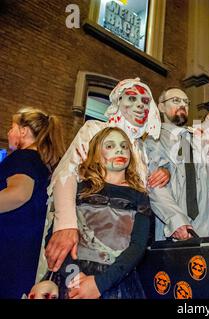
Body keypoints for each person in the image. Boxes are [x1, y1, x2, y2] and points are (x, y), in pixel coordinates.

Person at [40, 78, 168, 281]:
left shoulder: (142, 150)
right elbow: (66, 174)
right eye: (132, 98)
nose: (139, 106)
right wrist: (66, 224)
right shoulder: (94, 130)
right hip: (82, 247)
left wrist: (164, 173)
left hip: (121, 258)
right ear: (118, 102)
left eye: (145, 101)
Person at [53, 127, 151, 299]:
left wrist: (100, 284)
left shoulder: (140, 195)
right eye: (110, 146)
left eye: (124, 146)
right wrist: (73, 278)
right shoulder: (78, 189)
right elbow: (57, 237)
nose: (119, 150)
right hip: (73, 277)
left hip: (116, 280)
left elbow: (138, 246)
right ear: (96, 155)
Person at [145, 89, 209, 240]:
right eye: (176, 100)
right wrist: (176, 221)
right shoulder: (153, 140)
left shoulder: (199, 138)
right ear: (161, 107)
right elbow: (155, 185)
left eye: (186, 102)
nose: (182, 105)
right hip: (176, 232)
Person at [0, 107, 65, 299]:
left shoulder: (23, 157)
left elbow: (19, 194)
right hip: (25, 254)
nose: (8, 133)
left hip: (7, 251)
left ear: (24, 131)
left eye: (12, 128)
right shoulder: (43, 163)